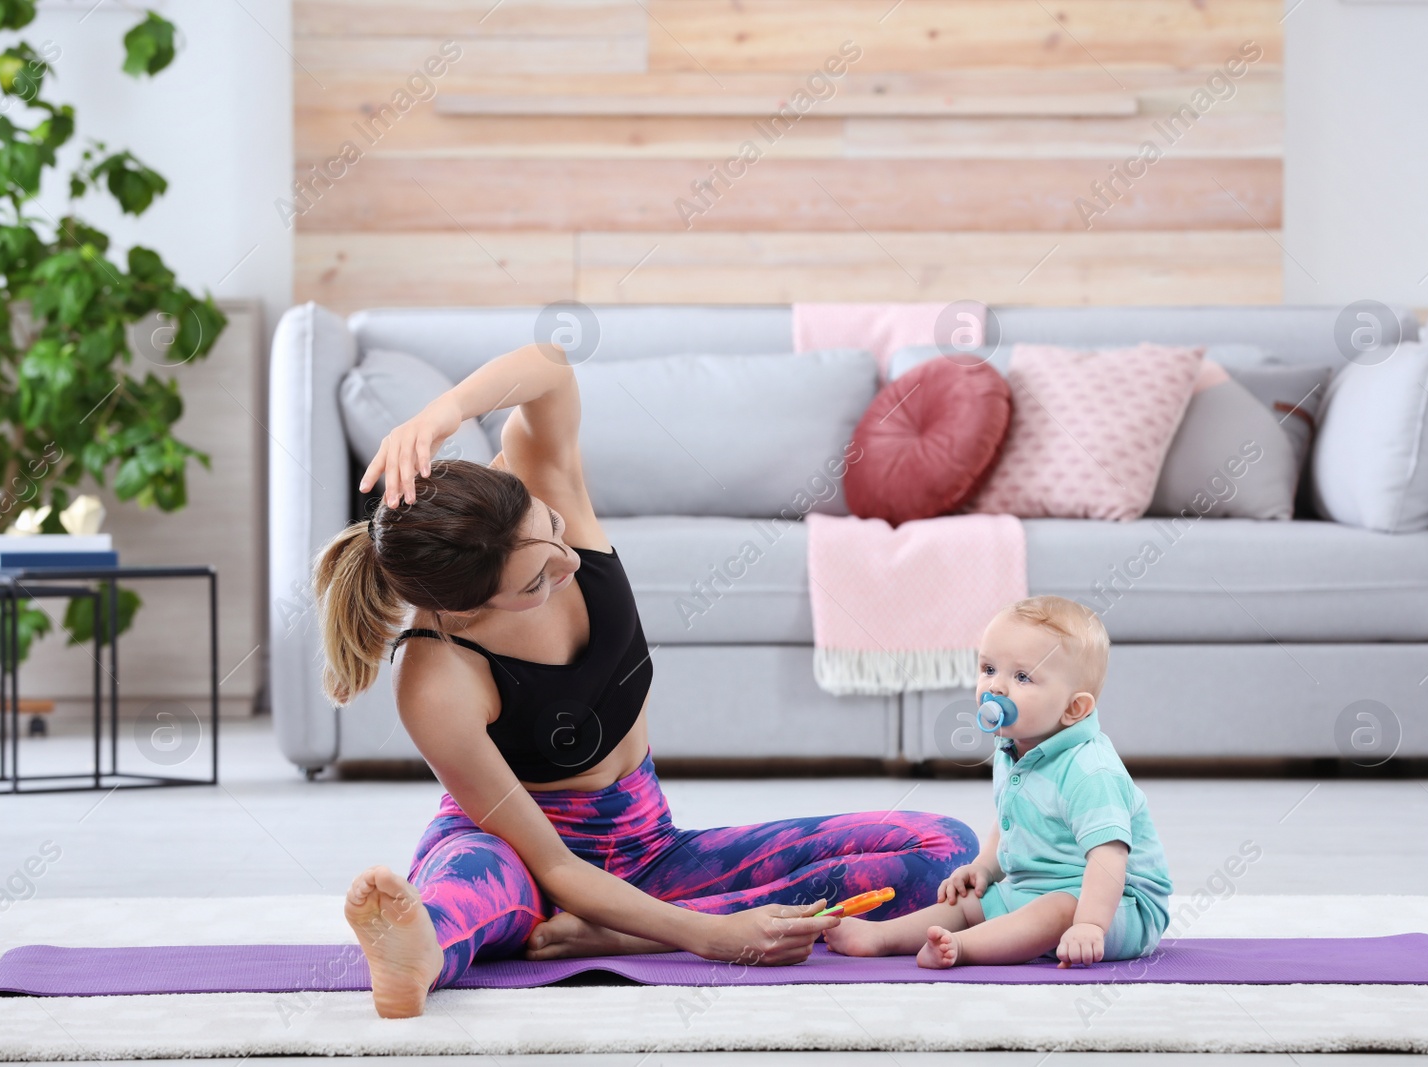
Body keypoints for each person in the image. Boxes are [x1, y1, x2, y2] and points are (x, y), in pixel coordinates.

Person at [312, 341, 977, 1017]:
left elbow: (548, 362)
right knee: (478, 884)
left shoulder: (550, 482)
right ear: (460, 612)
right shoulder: (435, 678)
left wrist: (447, 408)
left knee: (944, 851)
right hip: (527, 861)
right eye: (536, 581)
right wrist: (712, 936)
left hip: (649, 848)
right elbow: (558, 868)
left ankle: (612, 931)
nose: (569, 560)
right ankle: (423, 951)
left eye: (552, 530)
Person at [823, 595, 1172, 968]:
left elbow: (1108, 857)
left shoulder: (1090, 771)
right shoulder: (1013, 748)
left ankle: (963, 948)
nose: (996, 688)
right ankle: (882, 937)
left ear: (1074, 709)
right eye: (989, 669)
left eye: (1022, 677)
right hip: (1034, 889)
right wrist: (985, 868)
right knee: (969, 901)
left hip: (1118, 906)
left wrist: (1088, 925)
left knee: (1058, 909)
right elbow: (1011, 820)